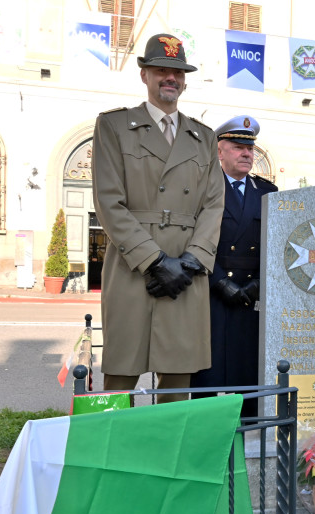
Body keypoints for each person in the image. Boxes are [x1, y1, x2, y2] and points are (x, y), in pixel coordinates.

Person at [92, 33, 226, 403]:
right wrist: (154, 262)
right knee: (120, 378)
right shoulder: (114, 127)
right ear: (144, 75)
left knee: (176, 381)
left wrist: (191, 261)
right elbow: (109, 202)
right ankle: (110, 457)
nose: (171, 78)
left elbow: (214, 205)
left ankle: (167, 459)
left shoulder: (203, 137)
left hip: (185, 271)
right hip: (134, 268)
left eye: (178, 72)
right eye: (162, 70)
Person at [190, 116, 278, 416]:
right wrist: (219, 281)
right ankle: (205, 443)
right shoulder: (202, 190)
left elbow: (278, 246)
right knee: (208, 378)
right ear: (219, 152)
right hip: (211, 296)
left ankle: (250, 443)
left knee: (248, 378)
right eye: (238, 147)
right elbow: (191, 241)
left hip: (250, 300)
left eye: (250, 149)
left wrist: (258, 285)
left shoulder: (268, 193)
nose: (247, 154)